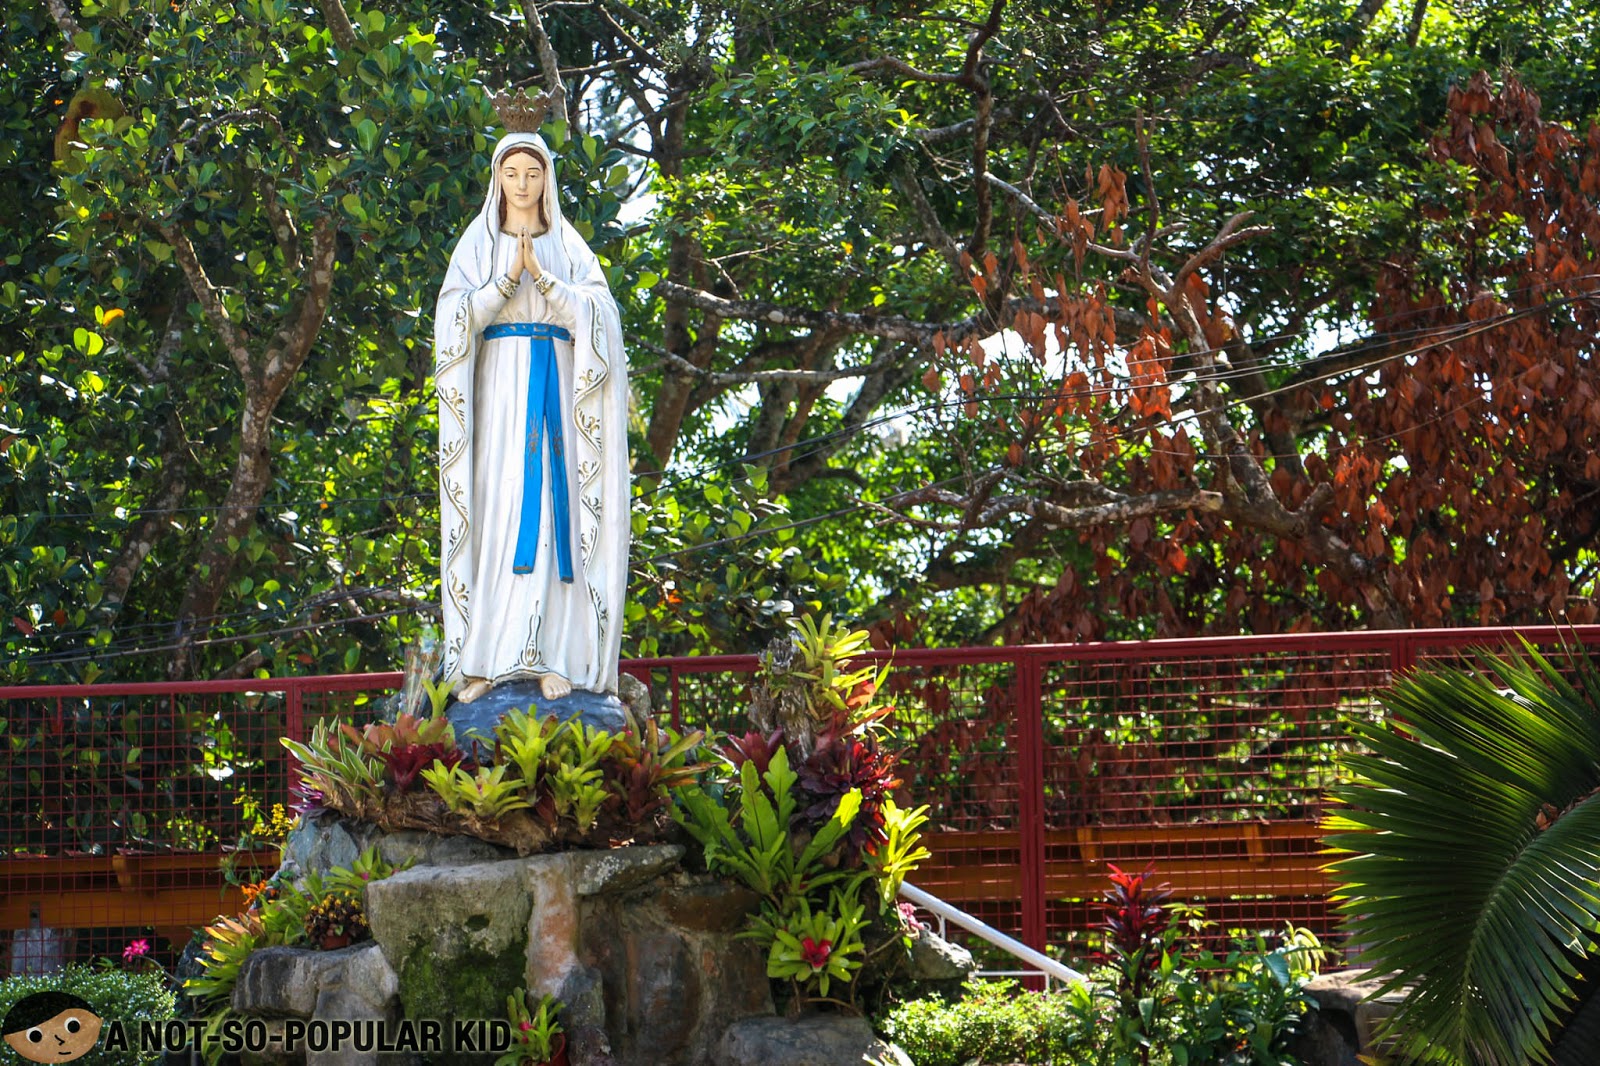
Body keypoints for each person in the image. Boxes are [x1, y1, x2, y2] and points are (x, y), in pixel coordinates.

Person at [433, 132, 629, 704]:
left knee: (550, 514)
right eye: (512, 173)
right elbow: (451, 319)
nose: (522, 185)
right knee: (498, 511)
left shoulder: (568, 246)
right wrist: (502, 283)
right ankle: (485, 659)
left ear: (547, 180)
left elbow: (602, 317)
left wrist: (546, 282)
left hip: (559, 398)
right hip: (499, 395)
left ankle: (550, 654)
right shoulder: (478, 243)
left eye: (532, 173)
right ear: (498, 179)